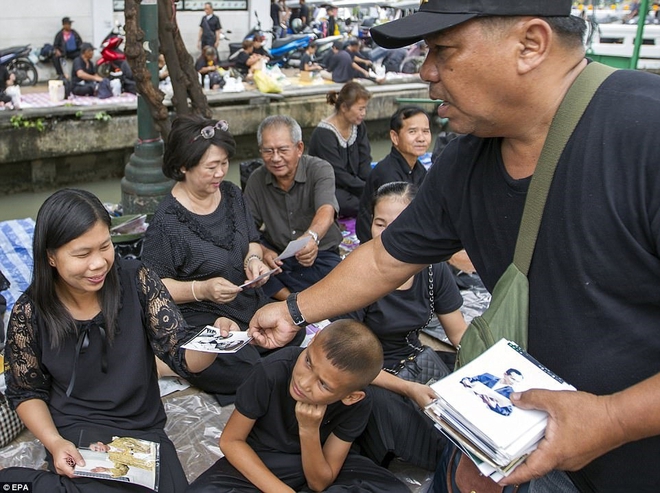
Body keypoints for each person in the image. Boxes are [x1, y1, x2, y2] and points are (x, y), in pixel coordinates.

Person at [247, 0, 660, 492]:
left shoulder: (645, 135)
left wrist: (611, 418)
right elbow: (384, 258)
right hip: (497, 445)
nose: (426, 72)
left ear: (530, 45)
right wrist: (295, 310)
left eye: (443, 50)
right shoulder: (465, 159)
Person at [0, 189, 221, 492]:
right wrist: (55, 443)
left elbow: (182, 354)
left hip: (141, 430)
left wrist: (215, 340)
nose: (98, 264)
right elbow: (26, 392)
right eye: (82, 254)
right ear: (50, 256)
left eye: (105, 246)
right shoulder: (31, 310)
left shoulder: (137, 280)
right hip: (75, 430)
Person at [142, 115, 296, 402]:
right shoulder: (167, 221)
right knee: (245, 368)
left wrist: (252, 261)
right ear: (183, 166)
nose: (220, 173)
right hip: (198, 315)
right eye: (211, 167)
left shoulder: (231, 194)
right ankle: (172, 362)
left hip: (244, 301)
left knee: (290, 336)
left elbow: (252, 240)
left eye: (224, 164)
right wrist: (202, 289)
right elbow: (153, 287)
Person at [186, 319, 410, 493]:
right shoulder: (274, 371)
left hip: (316, 459)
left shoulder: (358, 404)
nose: (303, 381)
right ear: (313, 341)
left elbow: (319, 483)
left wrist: (309, 430)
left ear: (351, 397)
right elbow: (231, 441)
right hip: (260, 458)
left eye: (323, 384)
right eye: (308, 362)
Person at [337, 181, 466, 470]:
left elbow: (459, 334)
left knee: (466, 424)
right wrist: (408, 389)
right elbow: (346, 360)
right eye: (380, 224)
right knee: (436, 444)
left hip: (415, 362)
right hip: (368, 374)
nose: (389, 235)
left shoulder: (433, 268)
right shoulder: (357, 274)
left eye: (400, 223)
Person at [243, 115, 343, 301]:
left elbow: (326, 209)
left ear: (299, 148)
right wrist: (264, 252)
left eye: (282, 150)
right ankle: (292, 301)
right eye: (268, 151)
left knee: (340, 285)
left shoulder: (319, 169)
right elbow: (247, 227)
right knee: (249, 273)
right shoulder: (256, 179)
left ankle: (294, 302)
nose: (275, 158)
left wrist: (312, 237)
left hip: (320, 252)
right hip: (279, 258)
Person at [355, 106, 431, 242]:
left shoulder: (418, 168)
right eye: (412, 131)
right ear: (395, 137)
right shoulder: (387, 173)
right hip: (381, 243)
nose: (421, 138)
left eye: (426, 131)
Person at [308, 81, 372, 218]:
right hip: (331, 185)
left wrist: (369, 184)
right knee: (344, 202)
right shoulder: (324, 134)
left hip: (354, 184)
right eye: (360, 109)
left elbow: (365, 159)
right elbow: (337, 173)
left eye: (365, 109)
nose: (363, 113)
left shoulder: (359, 126)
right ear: (344, 107)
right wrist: (366, 189)